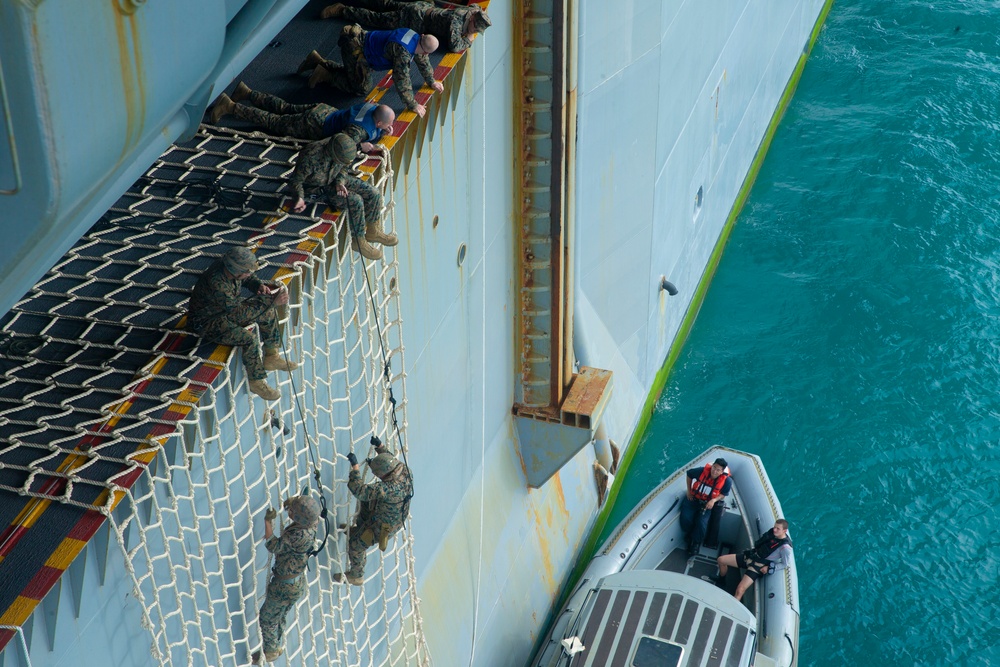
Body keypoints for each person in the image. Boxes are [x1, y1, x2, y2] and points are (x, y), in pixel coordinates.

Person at [187, 246, 296, 401]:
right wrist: (271, 302)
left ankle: (272, 356)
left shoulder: (230, 270)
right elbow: (238, 312)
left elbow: (246, 278)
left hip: (225, 311)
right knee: (248, 338)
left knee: (267, 312)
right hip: (208, 322)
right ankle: (256, 382)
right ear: (235, 270)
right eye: (246, 271)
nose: (248, 274)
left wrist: (257, 285)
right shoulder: (217, 284)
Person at [284, 132, 396, 260]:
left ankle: (373, 231)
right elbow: (295, 181)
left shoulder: (345, 147)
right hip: (317, 188)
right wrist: (299, 197)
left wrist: (340, 182)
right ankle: (358, 241)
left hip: (335, 178)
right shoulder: (310, 158)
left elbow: (344, 166)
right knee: (355, 200)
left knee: (373, 193)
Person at [298, 27, 443, 117]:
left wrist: (431, 81)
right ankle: (324, 74)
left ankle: (318, 61)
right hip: (355, 49)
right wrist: (413, 104)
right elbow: (401, 79)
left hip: (361, 43)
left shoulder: (414, 36)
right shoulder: (403, 52)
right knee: (361, 88)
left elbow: (422, 61)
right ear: (424, 50)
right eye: (426, 53)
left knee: (354, 74)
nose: (425, 57)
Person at [210, 84, 395, 151]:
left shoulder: (371, 107)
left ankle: (248, 93)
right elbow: (341, 144)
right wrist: (362, 147)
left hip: (325, 110)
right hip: (316, 124)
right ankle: (230, 107)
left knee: (285, 108)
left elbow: (371, 120)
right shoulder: (360, 131)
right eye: (387, 124)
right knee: (274, 122)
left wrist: (379, 129)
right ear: (378, 122)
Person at [251, 496, 321, 664]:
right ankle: (276, 643)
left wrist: (268, 522)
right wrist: (292, 503)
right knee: (279, 616)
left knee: (267, 619)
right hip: (296, 583)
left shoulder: (297, 534)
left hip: (284, 585)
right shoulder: (313, 524)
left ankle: (271, 650)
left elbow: (273, 545)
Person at [335, 440, 413, 586]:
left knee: (356, 545)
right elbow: (391, 460)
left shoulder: (388, 489)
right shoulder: (404, 471)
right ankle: (358, 529)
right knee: (366, 505)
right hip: (390, 514)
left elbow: (359, 490)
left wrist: (355, 469)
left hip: (382, 527)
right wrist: (380, 447)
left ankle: (356, 575)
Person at [320, 1, 492, 54]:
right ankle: (343, 10)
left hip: (421, 8)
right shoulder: (456, 20)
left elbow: (476, 5)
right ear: (472, 21)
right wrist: (468, 40)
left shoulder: (472, 11)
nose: (474, 32)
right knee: (377, 18)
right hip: (413, 19)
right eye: (475, 28)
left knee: (385, 4)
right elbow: (455, 46)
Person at [716, 519, 792, 602]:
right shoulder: (773, 534)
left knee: (740, 589)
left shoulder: (785, 548)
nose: (774, 530)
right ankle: (721, 580)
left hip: (757, 566)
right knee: (721, 560)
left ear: (785, 531)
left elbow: (785, 564)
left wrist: (768, 568)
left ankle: (732, 609)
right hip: (750, 557)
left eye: (778, 529)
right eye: (774, 527)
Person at [679, 457, 732, 555]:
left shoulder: (727, 481)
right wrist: (689, 490)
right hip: (693, 499)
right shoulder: (701, 471)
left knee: (702, 523)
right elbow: (689, 474)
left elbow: (723, 494)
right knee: (685, 518)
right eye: (714, 467)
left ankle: (695, 543)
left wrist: (713, 500)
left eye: (718, 470)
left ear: (721, 472)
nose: (714, 471)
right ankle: (690, 535)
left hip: (707, 504)